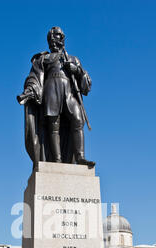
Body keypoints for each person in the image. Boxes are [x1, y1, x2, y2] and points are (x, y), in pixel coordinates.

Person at [17, 26, 95, 168]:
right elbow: (34, 77)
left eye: (56, 38)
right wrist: (31, 89)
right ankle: (57, 161)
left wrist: (76, 70)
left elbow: (86, 83)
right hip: (51, 90)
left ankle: (80, 157)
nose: (52, 41)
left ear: (62, 39)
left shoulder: (73, 59)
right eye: (50, 39)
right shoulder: (43, 58)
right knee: (54, 125)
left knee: (78, 120)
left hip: (69, 92)